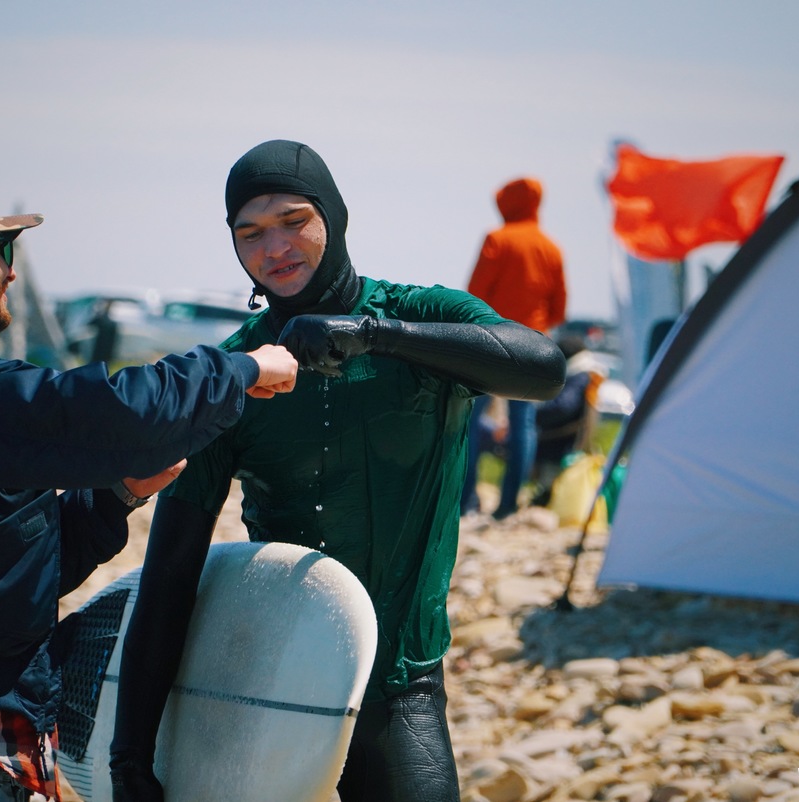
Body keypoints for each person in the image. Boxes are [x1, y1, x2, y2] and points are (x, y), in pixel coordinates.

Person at [0, 176, 298, 802]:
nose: (12, 271)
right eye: (2, 250)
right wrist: (242, 366)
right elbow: (105, 414)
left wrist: (117, 494)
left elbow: (12, 574)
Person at [108, 141, 566, 802]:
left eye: (294, 221)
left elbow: (543, 370)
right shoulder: (235, 375)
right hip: (272, 684)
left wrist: (376, 334)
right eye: (250, 233)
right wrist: (129, 757)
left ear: (334, 216)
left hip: (400, 682)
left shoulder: (421, 315)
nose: (274, 247)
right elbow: (171, 574)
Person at [460, 177, 567, 520]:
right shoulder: (551, 248)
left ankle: (466, 501)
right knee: (523, 424)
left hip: (493, 339)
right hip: (533, 343)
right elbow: (559, 309)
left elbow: (473, 296)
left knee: (468, 418)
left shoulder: (498, 239)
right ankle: (507, 507)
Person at [530, 334, 606, 506]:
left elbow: (563, 407)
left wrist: (534, 415)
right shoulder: (589, 374)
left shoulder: (579, 376)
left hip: (559, 443)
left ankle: (545, 495)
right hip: (567, 441)